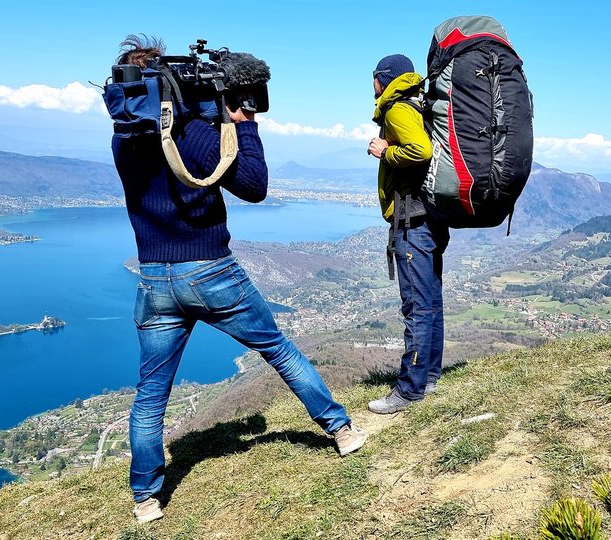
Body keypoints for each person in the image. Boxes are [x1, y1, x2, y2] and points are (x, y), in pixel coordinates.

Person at [110, 36, 368, 525]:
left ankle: (146, 498)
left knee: (150, 393)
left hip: (153, 279)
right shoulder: (194, 134)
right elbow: (253, 185)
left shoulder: (125, 138)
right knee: (278, 350)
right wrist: (243, 124)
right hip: (210, 271)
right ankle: (342, 431)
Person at [366, 54, 449, 415]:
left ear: (383, 79)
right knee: (430, 301)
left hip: (413, 223)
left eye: (373, 77)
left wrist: (386, 151)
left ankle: (409, 390)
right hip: (431, 217)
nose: (371, 84)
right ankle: (429, 376)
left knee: (416, 306)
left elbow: (420, 150)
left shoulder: (398, 109)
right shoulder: (419, 103)